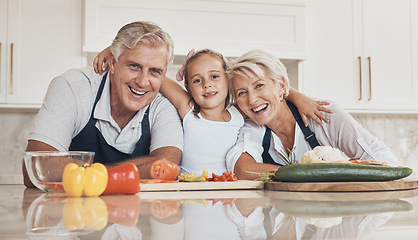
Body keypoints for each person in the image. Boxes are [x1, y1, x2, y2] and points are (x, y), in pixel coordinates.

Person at [94, 48, 332, 176]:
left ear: (228, 82)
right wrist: (120, 54)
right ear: (188, 88)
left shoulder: (241, 111)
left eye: (215, 77)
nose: (207, 84)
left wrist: (296, 96)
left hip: (231, 191)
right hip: (188, 190)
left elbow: (266, 90)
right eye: (197, 80)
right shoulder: (188, 109)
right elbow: (158, 76)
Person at [23, 21, 183, 187]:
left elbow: (167, 165)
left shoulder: (163, 104)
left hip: (139, 211)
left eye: (155, 71)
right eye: (134, 66)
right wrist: (142, 169)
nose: (143, 82)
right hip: (73, 210)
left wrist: (78, 172)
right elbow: (38, 169)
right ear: (113, 63)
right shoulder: (74, 88)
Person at [225, 49, 399, 179]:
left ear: (281, 86)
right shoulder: (253, 127)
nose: (252, 99)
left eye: (259, 85)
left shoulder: (324, 114)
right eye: (242, 93)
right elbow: (243, 170)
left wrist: (343, 170)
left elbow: (387, 161)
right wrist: (311, 173)